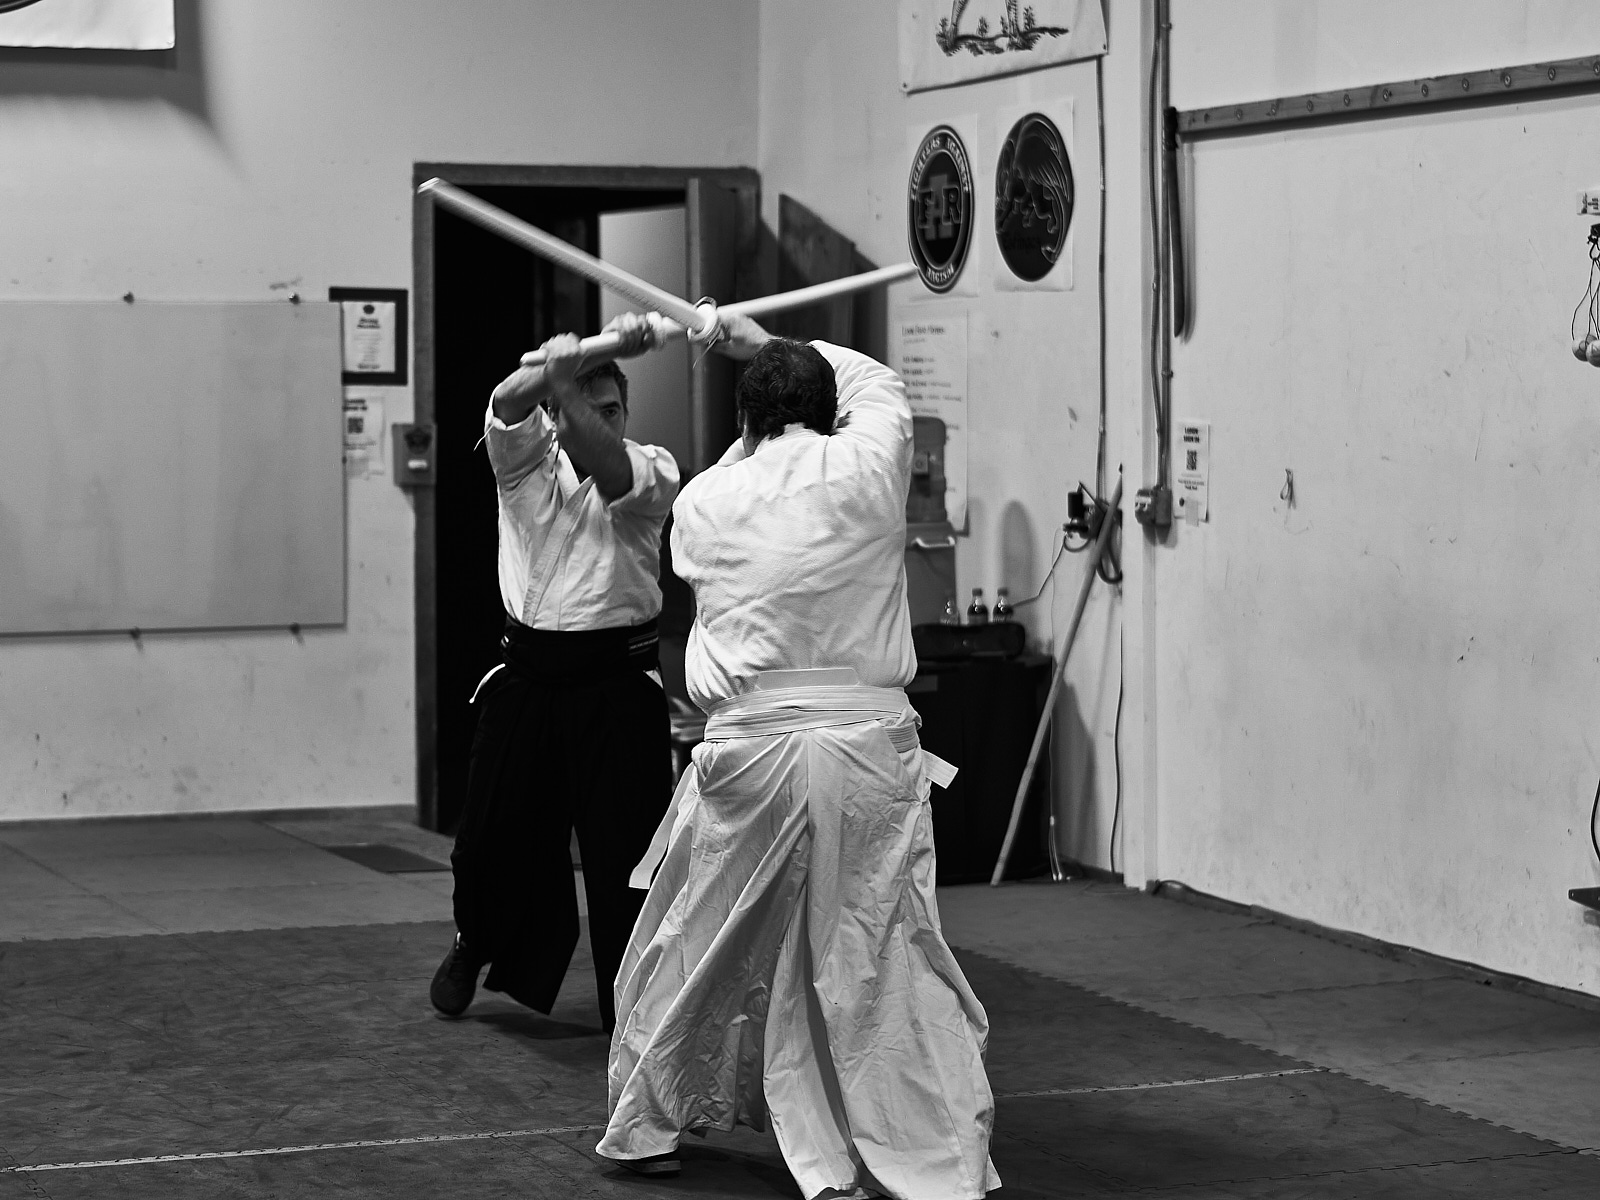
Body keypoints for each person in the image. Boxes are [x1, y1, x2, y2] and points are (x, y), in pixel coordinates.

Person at [598, 312, 1000, 1200]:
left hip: (751, 752)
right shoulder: (872, 464)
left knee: (701, 934)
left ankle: (644, 1121)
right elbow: (875, 382)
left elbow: (753, 458)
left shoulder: (705, 499)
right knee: (882, 946)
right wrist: (749, 334)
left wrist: (741, 369)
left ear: (744, 422)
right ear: (828, 412)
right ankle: (932, 1152)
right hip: (863, 752)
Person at [430, 313, 678, 1034]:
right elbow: (507, 400)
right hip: (527, 679)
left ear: (625, 414)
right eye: (586, 407)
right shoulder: (524, 467)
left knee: (626, 858)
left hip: (616, 685)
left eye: (612, 409)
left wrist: (570, 380)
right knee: (487, 841)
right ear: (554, 415)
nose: (601, 419)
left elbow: (610, 467)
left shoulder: (652, 470)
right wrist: (578, 359)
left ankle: (631, 1007)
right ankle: (474, 940)